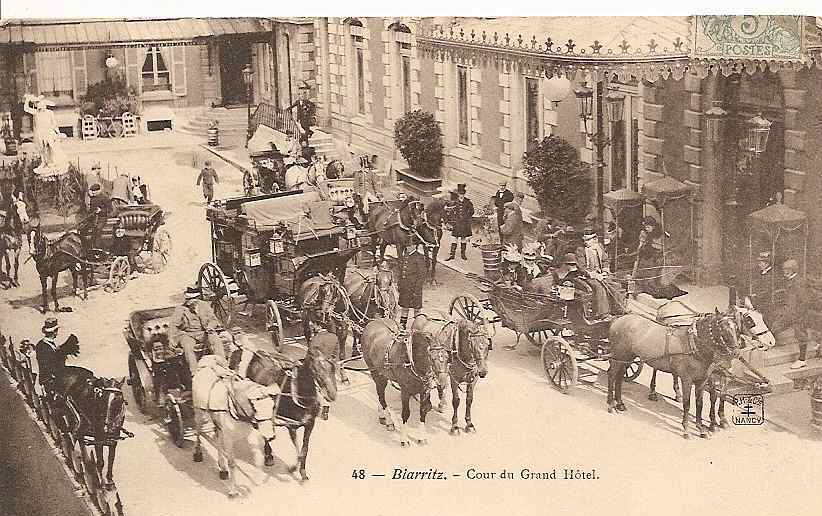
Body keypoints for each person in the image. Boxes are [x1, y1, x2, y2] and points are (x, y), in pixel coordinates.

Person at [169, 286, 226, 381]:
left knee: (215, 339)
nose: (190, 302)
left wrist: (211, 327)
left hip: (204, 332)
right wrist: (171, 339)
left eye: (192, 300)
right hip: (188, 334)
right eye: (188, 300)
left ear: (197, 299)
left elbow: (214, 320)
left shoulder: (204, 306)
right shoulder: (180, 309)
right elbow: (173, 325)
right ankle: (194, 372)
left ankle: (223, 365)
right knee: (187, 346)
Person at [769, 259, 814, 368]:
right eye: (784, 269)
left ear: (792, 270)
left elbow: (805, 300)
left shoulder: (798, 282)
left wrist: (798, 315)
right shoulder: (790, 280)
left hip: (797, 314)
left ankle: (802, 360)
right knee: (775, 327)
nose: (784, 271)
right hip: (789, 313)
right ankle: (768, 344)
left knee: (801, 335)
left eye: (786, 269)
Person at [397, 241, 428, 365]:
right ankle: (402, 327)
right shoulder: (406, 256)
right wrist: (400, 284)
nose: (408, 247)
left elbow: (421, 276)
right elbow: (402, 272)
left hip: (414, 289)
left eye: (410, 245)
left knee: (416, 310)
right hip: (405, 287)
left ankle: (417, 328)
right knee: (404, 308)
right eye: (407, 245)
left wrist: (417, 290)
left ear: (415, 246)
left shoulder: (419, 257)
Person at [34, 317, 80, 396]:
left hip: (54, 374)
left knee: (80, 373)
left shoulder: (46, 343)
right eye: (56, 331)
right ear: (54, 332)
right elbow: (48, 366)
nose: (57, 333)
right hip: (49, 379)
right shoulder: (43, 346)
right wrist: (60, 354)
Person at [444, 184, 474, 261]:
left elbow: (472, 211)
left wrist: (466, 217)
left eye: (462, 194)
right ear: (458, 194)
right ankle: (452, 255)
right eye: (460, 194)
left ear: (464, 194)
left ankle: (463, 254)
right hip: (457, 223)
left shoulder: (468, 202)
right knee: (454, 238)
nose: (461, 195)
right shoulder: (454, 202)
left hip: (464, 223)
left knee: (463, 238)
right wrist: (453, 218)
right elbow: (449, 211)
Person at [287, 81, 317, 148]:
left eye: (303, 94)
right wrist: (287, 110)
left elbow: (312, 109)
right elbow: (292, 106)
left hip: (306, 119)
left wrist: (309, 112)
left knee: (305, 131)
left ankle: (306, 143)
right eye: (299, 94)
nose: (301, 96)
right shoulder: (297, 102)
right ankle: (310, 133)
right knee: (303, 127)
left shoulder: (308, 103)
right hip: (301, 119)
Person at [748, 251, 775, 319]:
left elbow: (768, 291)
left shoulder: (771, 275)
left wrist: (756, 295)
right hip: (760, 303)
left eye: (760, 263)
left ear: (767, 264)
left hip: (767, 305)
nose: (759, 265)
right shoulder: (761, 273)